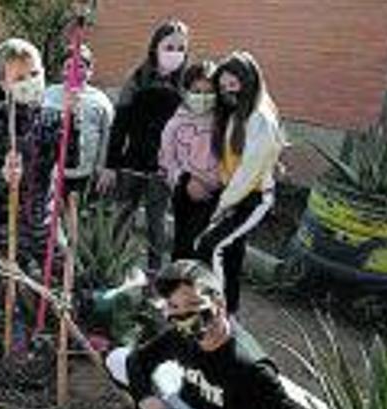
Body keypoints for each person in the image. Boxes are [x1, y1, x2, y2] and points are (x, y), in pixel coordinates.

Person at [106, 260, 323, 409]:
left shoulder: (250, 366)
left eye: (194, 304)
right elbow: (138, 360)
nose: (184, 316)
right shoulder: (183, 333)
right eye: (174, 307)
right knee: (117, 358)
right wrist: (144, 398)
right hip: (189, 398)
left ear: (219, 303)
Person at [0, 38, 77, 350]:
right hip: (3, 218)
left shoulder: (51, 117)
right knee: (6, 280)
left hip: (43, 214)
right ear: (4, 84)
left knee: (63, 270)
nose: (28, 83)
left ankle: (61, 326)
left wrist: (73, 123)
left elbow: (70, 161)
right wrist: (4, 177)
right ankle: (12, 330)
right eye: (19, 79)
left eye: (34, 75)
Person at [96, 19, 190, 274]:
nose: (175, 53)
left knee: (155, 224)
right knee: (122, 218)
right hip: (132, 164)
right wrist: (110, 165)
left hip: (163, 169)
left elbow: (188, 133)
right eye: (169, 46)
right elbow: (120, 126)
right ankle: (111, 269)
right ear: (155, 47)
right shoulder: (138, 79)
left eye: (181, 48)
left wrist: (180, 167)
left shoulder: (186, 86)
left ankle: (154, 276)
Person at [195, 52, 283, 317]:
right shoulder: (236, 114)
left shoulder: (261, 119)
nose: (227, 92)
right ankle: (230, 311)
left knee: (211, 246)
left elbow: (248, 173)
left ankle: (216, 311)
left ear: (249, 82)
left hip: (253, 197)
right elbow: (229, 162)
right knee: (232, 254)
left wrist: (222, 206)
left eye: (233, 85)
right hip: (234, 193)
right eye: (223, 87)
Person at [158, 60, 221, 261]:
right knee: (182, 242)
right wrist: (184, 181)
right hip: (184, 191)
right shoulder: (176, 123)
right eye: (197, 91)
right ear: (186, 91)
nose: (202, 98)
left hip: (216, 193)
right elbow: (167, 160)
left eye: (209, 92)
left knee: (202, 247)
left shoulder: (223, 123)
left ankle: (197, 288)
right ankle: (176, 287)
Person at [42, 43, 114, 196]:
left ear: (90, 71)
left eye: (80, 66)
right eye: (69, 66)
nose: (74, 71)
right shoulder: (48, 95)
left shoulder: (100, 101)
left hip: (85, 175)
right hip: (52, 173)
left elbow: (108, 136)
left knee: (79, 216)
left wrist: (103, 168)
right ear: (62, 70)